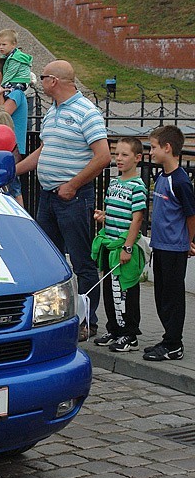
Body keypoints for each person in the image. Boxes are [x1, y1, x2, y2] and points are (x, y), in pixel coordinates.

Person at [16, 60, 110, 341]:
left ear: (54, 81)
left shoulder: (86, 112)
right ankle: (55, 316)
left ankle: (87, 321)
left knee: (81, 261)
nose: (40, 82)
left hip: (73, 196)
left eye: (43, 77)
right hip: (49, 196)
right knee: (49, 259)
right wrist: (12, 170)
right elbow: (44, 151)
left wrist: (73, 184)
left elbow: (103, 156)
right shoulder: (52, 112)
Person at [144, 126, 195, 361]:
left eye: (154, 147)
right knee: (161, 295)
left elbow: (190, 214)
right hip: (160, 245)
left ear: (167, 148)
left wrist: (189, 241)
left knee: (173, 296)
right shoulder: (161, 176)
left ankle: (174, 344)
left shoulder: (181, 181)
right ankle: (167, 338)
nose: (151, 152)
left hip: (175, 247)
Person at [91, 137, 147, 353]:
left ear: (137, 158)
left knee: (125, 291)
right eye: (117, 154)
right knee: (110, 289)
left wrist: (128, 247)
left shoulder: (138, 186)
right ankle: (114, 329)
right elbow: (116, 213)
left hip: (123, 247)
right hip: (110, 245)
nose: (119, 159)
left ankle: (130, 334)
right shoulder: (114, 183)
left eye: (125, 155)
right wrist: (104, 216)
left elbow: (137, 218)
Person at [0, 58, 28, 206]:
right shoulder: (7, 93)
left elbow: (4, 112)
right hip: (6, 148)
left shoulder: (16, 93)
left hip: (11, 148)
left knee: (13, 188)